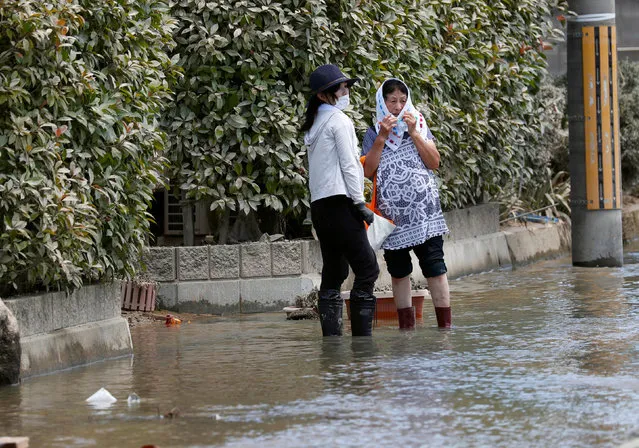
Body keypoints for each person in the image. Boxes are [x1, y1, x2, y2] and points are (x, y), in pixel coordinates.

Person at [361, 78, 452, 329]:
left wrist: (413, 133)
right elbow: (368, 170)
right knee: (399, 270)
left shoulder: (419, 124)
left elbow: (434, 162)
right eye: (392, 101)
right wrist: (382, 137)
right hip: (393, 216)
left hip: (425, 212)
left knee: (435, 264)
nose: (398, 107)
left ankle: (445, 328)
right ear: (382, 102)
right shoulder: (373, 130)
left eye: (402, 101)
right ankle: (406, 330)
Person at [302, 64, 380, 337]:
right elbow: (350, 165)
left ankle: (332, 345)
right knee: (368, 269)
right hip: (342, 203)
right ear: (325, 95)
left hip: (321, 207)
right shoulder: (339, 121)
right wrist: (359, 203)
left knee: (334, 272)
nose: (347, 91)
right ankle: (362, 346)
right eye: (342, 87)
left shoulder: (313, 125)